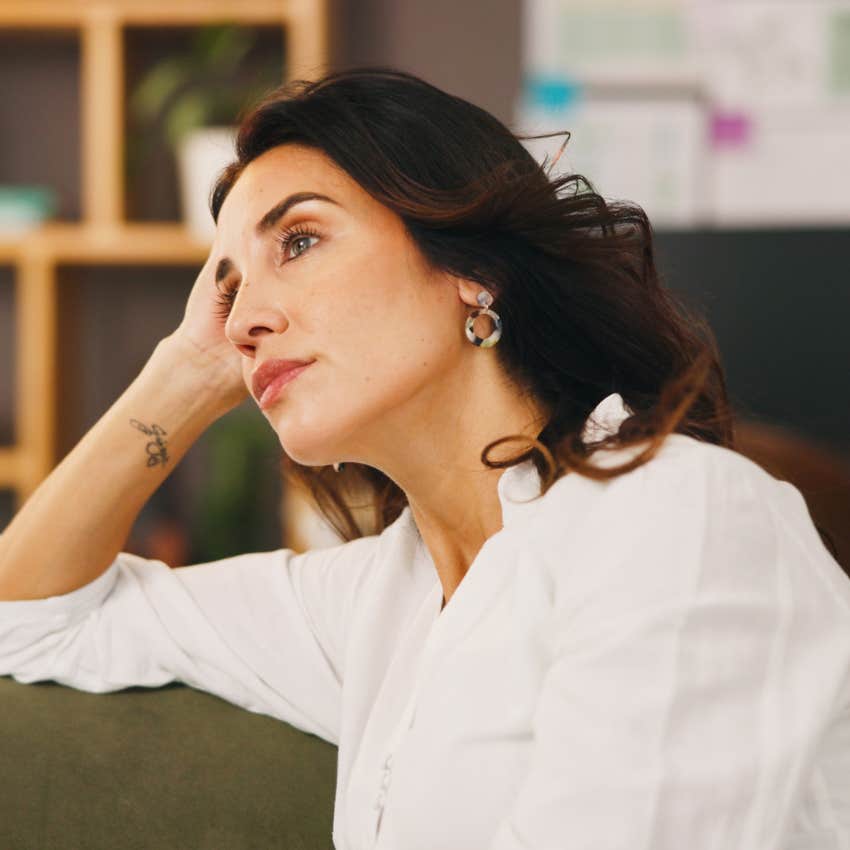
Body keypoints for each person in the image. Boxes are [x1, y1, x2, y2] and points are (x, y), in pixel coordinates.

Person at [1, 66, 848, 850]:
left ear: (472, 268)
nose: (241, 317)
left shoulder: (672, 520)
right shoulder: (376, 602)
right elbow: (29, 621)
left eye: (297, 241)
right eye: (228, 286)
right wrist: (188, 368)